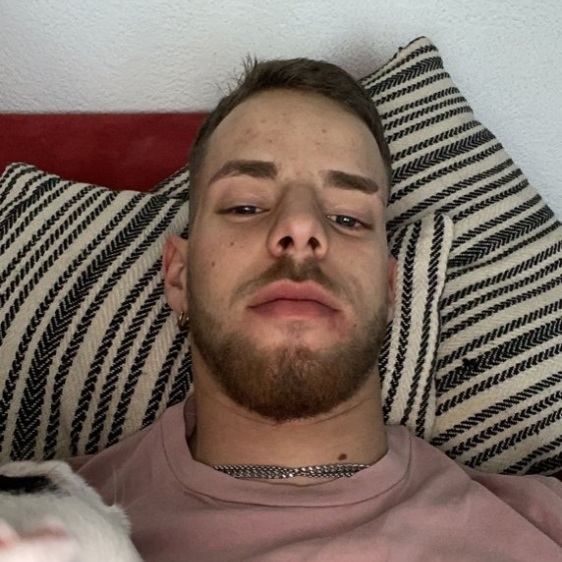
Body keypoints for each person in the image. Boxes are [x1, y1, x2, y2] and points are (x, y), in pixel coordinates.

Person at [72, 58, 562, 561]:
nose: (302, 227)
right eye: (245, 206)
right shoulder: (49, 520)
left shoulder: (543, 524)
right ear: (179, 275)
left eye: (347, 217)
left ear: (389, 288)